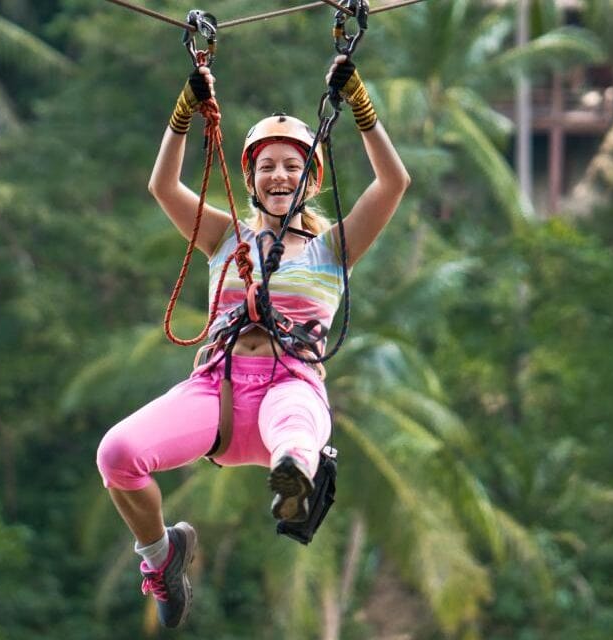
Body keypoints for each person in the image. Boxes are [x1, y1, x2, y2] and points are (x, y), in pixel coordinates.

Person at [95, 55, 410, 629]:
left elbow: (393, 183)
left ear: (310, 179)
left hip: (290, 387)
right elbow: (162, 184)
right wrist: (185, 110)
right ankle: (160, 557)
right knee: (116, 456)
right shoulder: (223, 238)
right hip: (215, 393)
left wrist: (361, 107)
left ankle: (294, 481)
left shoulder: (333, 249)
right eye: (267, 166)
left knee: (292, 436)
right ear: (252, 178)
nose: (280, 176)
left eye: (293, 166)